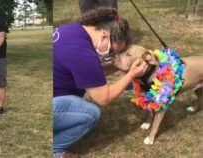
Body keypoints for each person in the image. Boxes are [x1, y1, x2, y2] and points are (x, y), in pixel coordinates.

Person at [53, 7, 148, 158]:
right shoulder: (83, 54)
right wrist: (131, 75)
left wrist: (116, 65)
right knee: (91, 113)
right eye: (112, 51)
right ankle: (55, 150)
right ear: (105, 35)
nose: (112, 55)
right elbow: (103, 98)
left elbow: (90, 74)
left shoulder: (73, 30)